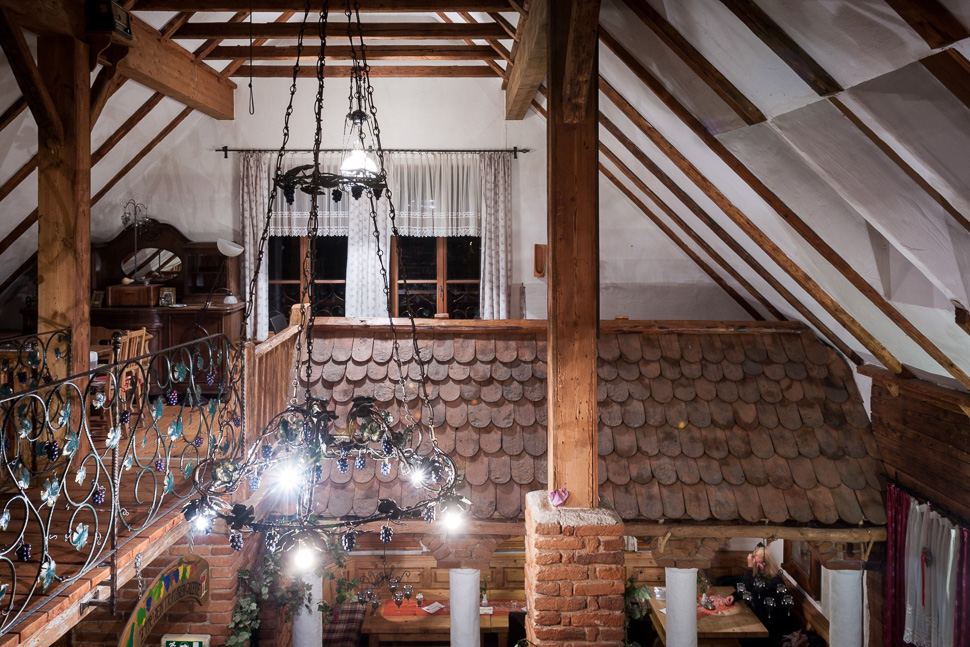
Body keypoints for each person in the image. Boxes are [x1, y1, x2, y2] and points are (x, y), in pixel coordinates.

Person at [724, 543, 799, 645]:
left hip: (773, 629)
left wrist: (750, 568)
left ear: (768, 563)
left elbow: (757, 596)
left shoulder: (776, 582)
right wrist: (733, 596)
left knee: (742, 638)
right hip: (761, 622)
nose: (757, 566)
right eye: (756, 563)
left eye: (760, 563)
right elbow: (747, 586)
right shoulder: (761, 577)